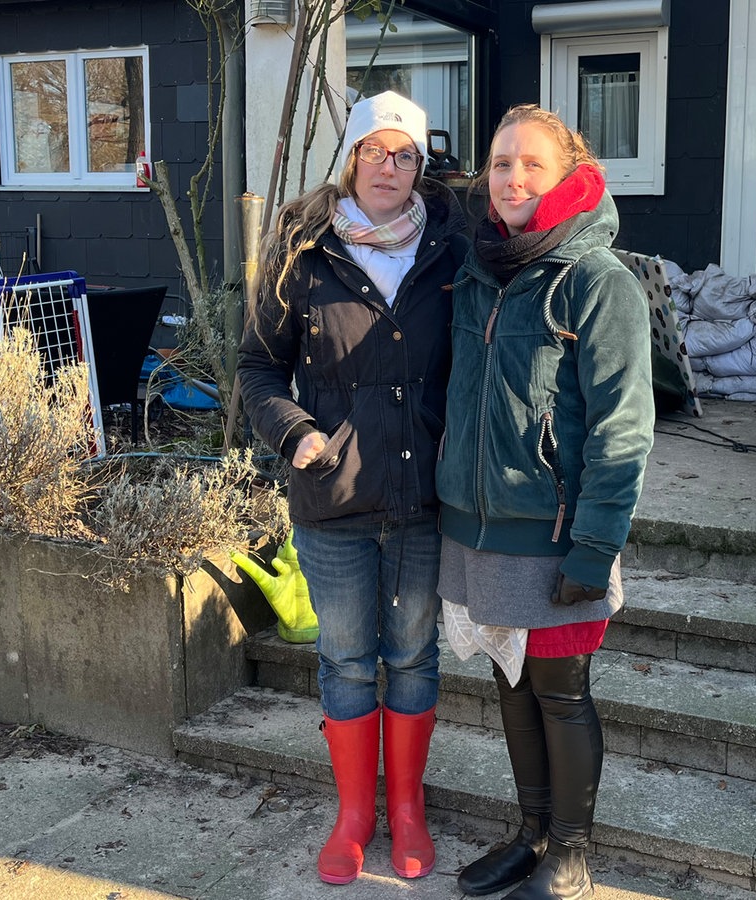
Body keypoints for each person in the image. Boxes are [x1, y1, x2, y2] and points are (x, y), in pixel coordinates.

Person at [237, 90, 469, 885]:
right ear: (353, 160)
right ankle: (355, 815)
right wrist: (293, 430)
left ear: (419, 166)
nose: (391, 168)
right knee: (344, 661)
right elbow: (258, 368)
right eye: (377, 152)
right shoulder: (303, 253)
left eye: (406, 155)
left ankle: (405, 810)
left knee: (412, 657)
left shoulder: (447, 249)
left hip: (424, 499)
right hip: (333, 499)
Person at [437, 104, 655, 900]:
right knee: (509, 679)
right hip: (478, 530)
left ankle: (571, 851)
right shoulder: (475, 270)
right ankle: (530, 833)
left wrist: (596, 545)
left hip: (559, 534)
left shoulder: (599, 283)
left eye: (532, 163)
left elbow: (624, 430)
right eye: (500, 163)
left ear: (569, 173)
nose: (513, 178)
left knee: (561, 693)